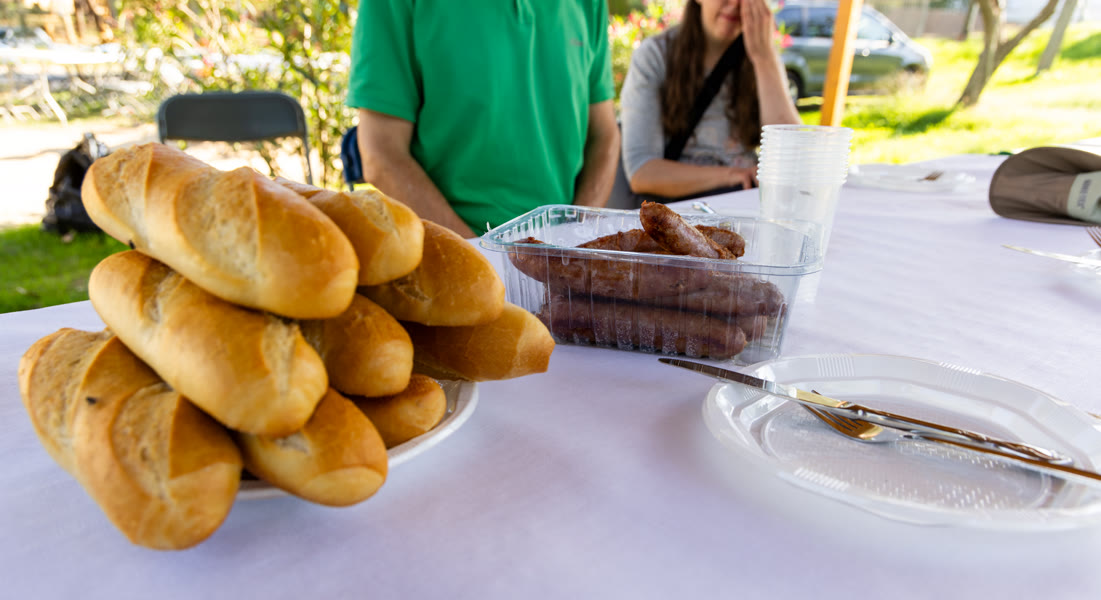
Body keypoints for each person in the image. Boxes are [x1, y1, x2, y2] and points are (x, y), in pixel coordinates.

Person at [346, 1, 621, 238]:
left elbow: (604, 136)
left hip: (559, 257)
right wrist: (479, 257)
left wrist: (574, 239)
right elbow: (381, 152)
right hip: (447, 255)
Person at [619, 0, 801, 202]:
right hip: (682, 208)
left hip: (745, 202)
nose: (734, 4)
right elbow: (642, 172)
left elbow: (792, 155)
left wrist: (764, 59)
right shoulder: (655, 55)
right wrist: (732, 175)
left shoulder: (762, 57)